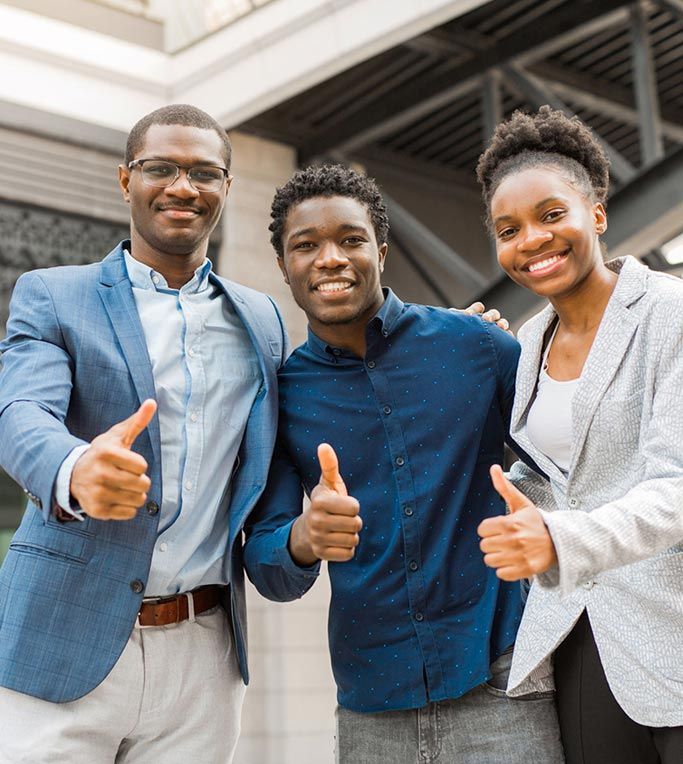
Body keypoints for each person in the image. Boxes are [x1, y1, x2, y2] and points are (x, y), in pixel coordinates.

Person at [242, 164, 564, 763]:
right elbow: (267, 565)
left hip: (501, 681)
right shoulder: (283, 396)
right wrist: (304, 538)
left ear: (381, 252)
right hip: (371, 702)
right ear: (285, 266)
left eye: (350, 239)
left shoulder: (480, 347)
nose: (330, 258)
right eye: (306, 246)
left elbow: (568, 468)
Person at [0, 104, 290, 763]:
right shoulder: (53, 296)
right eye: (160, 168)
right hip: (63, 639)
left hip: (203, 652)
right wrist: (75, 468)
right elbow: (18, 414)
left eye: (203, 172)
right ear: (125, 180)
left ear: (226, 187)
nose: (182, 186)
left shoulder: (262, 319)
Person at [475, 106, 683, 764]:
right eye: (507, 230)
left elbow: (675, 485)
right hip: (579, 638)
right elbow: (556, 478)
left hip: (670, 626)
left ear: (595, 211)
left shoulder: (668, 312)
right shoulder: (527, 342)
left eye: (549, 215)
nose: (529, 240)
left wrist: (557, 538)